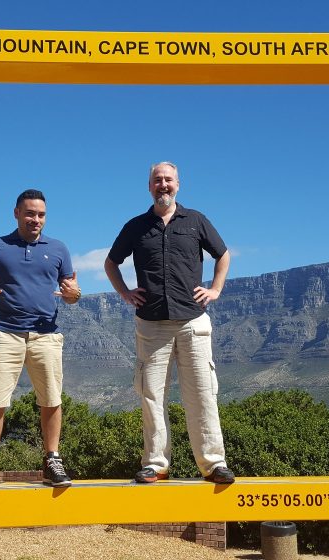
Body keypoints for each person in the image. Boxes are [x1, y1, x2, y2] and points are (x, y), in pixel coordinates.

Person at [104, 161, 236, 484]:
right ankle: (155, 463)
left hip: (193, 321)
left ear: (178, 184)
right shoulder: (136, 226)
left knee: (202, 393)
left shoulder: (196, 221)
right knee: (151, 395)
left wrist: (215, 289)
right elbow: (111, 263)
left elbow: (224, 254)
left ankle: (214, 464)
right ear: (149, 187)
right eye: (157, 180)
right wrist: (124, 293)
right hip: (151, 325)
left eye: (168, 180)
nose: (163, 185)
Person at [0, 189, 81, 490]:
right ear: (16, 213)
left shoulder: (58, 249)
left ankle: (51, 461)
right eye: (30, 213)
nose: (35, 219)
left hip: (46, 334)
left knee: (51, 399)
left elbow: (72, 294)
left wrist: (74, 295)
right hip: (5, 332)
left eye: (41, 214)